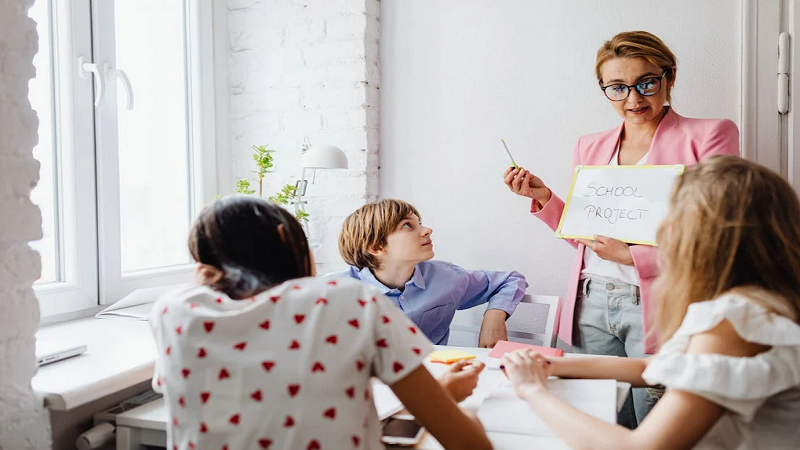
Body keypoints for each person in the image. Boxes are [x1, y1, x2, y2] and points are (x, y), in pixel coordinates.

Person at [502, 30, 739, 426]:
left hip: (666, 299)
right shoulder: (590, 145)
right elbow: (590, 230)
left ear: (670, 76)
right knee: (599, 418)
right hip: (590, 299)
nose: (634, 99)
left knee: (659, 418)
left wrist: (635, 256)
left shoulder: (710, 134)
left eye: (647, 83)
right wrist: (545, 197)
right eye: (618, 88)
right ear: (604, 90)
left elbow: (722, 232)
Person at [502, 156, 800, 450]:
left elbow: (640, 446)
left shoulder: (734, 318)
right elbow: (652, 366)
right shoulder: (765, 300)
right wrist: (550, 364)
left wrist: (532, 390)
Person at [150, 196, 493, 450]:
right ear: (287, 238)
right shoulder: (351, 300)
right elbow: (465, 442)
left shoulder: (173, 312)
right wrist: (445, 401)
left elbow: (281, 410)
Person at [337, 199, 527, 348]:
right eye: (407, 225)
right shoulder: (334, 293)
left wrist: (494, 316)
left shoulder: (448, 278)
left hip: (433, 380)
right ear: (376, 246)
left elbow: (510, 280)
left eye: (419, 223)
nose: (427, 230)